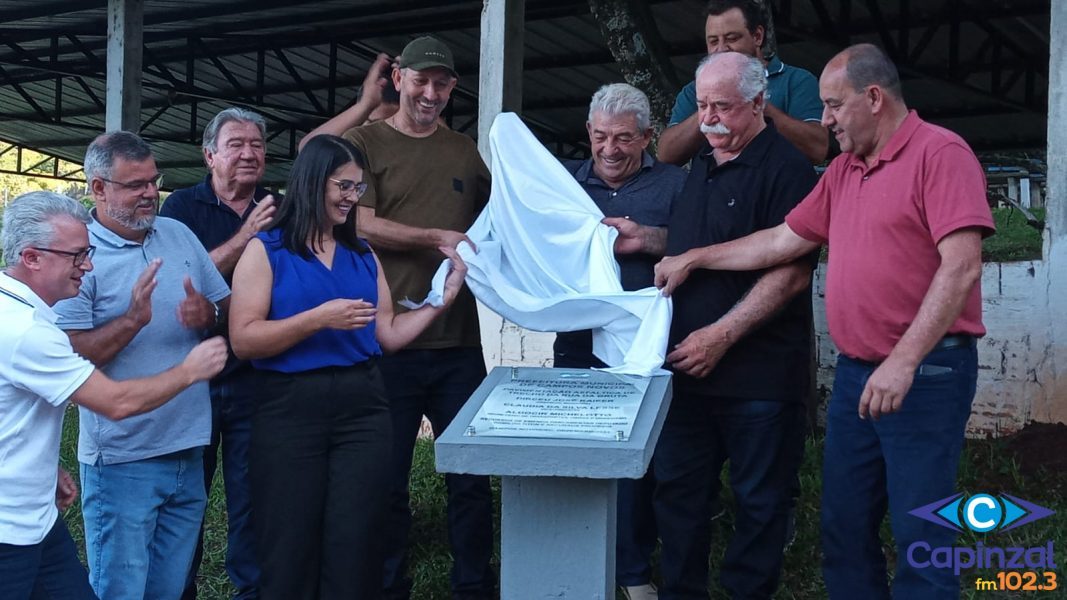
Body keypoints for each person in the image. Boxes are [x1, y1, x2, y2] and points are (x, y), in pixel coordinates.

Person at [655, 44, 994, 599]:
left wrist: (902, 361)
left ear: (875, 98)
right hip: (860, 374)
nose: (826, 119)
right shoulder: (843, 171)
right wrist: (696, 256)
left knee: (921, 532)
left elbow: (961, 269)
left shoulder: (941, 154)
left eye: (834, 105)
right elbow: (783, 241)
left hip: (923, 373)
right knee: (843, 527)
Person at [228, 134, 469, 599]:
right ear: (313, 182)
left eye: (357, 189)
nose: (351, 199)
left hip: (362, 407)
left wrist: (442, 302)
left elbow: (388, 335)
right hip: (289, 408)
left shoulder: (362, 254)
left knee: (356, 536)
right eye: (343, 186)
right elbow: (244, 340)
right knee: (290, 537)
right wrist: (318, 319)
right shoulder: (267, 250)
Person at [302, 35, 494, 599]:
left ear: (452, 88)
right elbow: (354, 222)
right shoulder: (361, 143)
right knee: (384, 479)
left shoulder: (464, 151)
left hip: (458, 338)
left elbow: (499, 222)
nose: (430, 92)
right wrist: (434, 236)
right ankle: (388, 586)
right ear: (399, 79)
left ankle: (475, 585)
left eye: (442, 83)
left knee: (471, 475)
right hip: (383, 338)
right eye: (421, 80)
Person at [645, 51, 817, 599]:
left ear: (761, 102)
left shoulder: (786, 169)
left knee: (760, 503)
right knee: (678, 497)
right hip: (687, 375)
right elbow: (699, 246)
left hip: (758, 378)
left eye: (724, 106)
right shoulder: (701, 163)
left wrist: (720, 335)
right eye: (701, 107)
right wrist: (645, 239)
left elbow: (790, 273)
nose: (710, 119)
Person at [0, 191, 227, 600]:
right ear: (31, 257)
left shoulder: (17, 313)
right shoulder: (27, 332)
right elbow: (116, 402)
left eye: (88, 252)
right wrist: (189, 371)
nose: (88, 265)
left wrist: (39, 468)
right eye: (76, 256)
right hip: (8, 533)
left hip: (36, 520)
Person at [53, 132, 231, 600]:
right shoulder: (77, 254)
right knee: (120, 591)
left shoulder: (177, 233)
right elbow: (69, 356)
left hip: (188, 450)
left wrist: (208, 316)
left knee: (169, 591)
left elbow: (224, 309)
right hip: (122, 461)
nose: (150, 192)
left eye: (154, 180)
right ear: (98, 188)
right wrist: (132, 320)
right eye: (135, 185)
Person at [553, 82, 684, 600]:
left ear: (648, 136)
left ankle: (632, 571)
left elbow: (701, 245)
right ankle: (573, 564)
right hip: (577, 343)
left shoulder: (675, 184)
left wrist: (651, 238)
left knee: (641, 463)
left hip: (645, 349)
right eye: (601, 137)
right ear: (588, 131)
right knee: (577, 455)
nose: (610, 150)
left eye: (625, 139)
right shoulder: (563, 183)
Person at [161, 107, 276, 600]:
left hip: (257, 374)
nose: (248, 153)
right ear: (209, 155)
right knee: (187, 496)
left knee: (254, 499)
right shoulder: (180, 209)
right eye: (236, 144)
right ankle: (179, 589)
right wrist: (248, 234)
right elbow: (178, 278)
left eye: (256, 144)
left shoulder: (282, 207)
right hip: (195, 375)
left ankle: (249, 591)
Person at [657, 0, 827, 166]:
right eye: (714, 41)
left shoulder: (796, 80)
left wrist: (756, 104)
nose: (721, 49)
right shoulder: (693, 90)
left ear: (758, 37)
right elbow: (667, 156)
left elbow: (817, 150)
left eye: (732, 38)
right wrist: (710, 105)